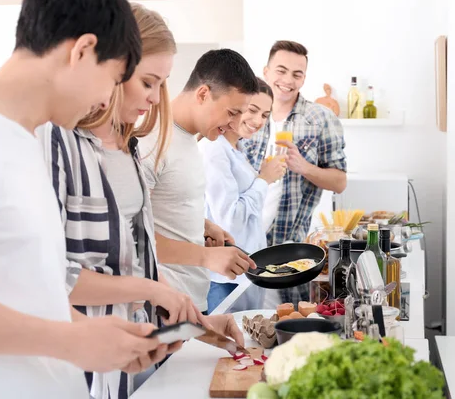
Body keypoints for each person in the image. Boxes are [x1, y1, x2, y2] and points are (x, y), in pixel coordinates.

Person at [0, 0, 169, 398]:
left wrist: (94, 336)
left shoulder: (23, 140)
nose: (108, 101)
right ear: (82, 50)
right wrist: (70, 342)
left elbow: (26, 291)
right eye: (112, 78)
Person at [37, 5, 244, 398]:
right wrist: (153, 292)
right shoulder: (57, 141)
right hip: (75, 370)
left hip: (124, 367)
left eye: (161, 84)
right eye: (148, 81)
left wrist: (199, 324)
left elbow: (140, 262)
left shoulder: (129, 148)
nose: (154, 98)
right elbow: (54, 279)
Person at [139, 49, 260, 315]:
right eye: (232, 112)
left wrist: (203, 226)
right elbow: (135, 238)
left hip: (192, 305)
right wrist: (206, 257)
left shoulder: (189, 139)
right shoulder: (150, 143)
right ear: (203, 94)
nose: (235, 124)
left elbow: (161, 207)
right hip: (163, 309)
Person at [242, 41, 348, 306]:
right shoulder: (245, 113)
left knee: (284, 332)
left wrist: (303, 167)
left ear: (304, 78)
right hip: (241, 249)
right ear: (266, 72)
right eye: (281, 70)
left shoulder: (322, 119)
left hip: (288, 252)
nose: (288, 80)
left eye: (297, 74)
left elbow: (340, 182)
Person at [199, 78, 286, 313]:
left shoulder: (238, 148)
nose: (258, 121)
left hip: (245, 271)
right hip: (225, 278)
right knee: (227, 345)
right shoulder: (214, 149)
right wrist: (263, 180)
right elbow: (230, 219)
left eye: (265, 115)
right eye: (253, 110)